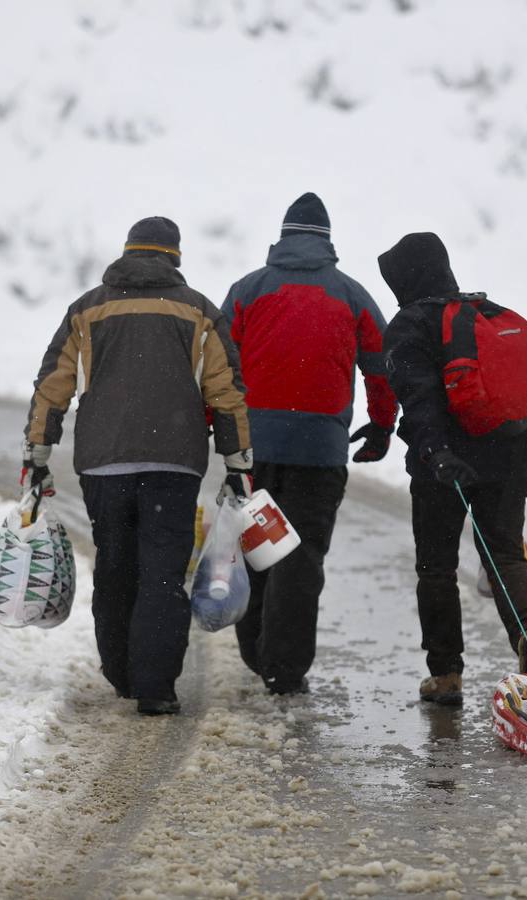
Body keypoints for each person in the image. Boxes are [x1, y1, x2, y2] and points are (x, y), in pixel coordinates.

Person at [21, 216, 253, 716]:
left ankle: (121, 672)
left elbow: (52, 385)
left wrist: (37, 454)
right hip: (174, 464)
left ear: (127, 252)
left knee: (115, 565)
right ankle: (155, 686)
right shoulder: (198, 312)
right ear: (175, 258)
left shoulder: (87, 309)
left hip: (104, 463)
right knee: (163, 574)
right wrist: (238, 462)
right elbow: (226, 391)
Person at [221, 192, 398, 694]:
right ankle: (284, 668)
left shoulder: (248, 290)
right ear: (327, 242)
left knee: (257, 548)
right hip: (320, 451)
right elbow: (382, 366)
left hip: (253, 450)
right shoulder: (350, 294)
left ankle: (258, 654)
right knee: (301, 559)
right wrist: (382, 425)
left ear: (282, 237)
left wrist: (217, 424)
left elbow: (215, 363)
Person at [378, 232, 527, 705]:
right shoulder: (487, 315)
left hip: (447, 464)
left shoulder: (411, 324)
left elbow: (420, 402)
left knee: (436, 567)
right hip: (508, 452)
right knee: (505, 555)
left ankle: (446, 675)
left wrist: (437, 455)